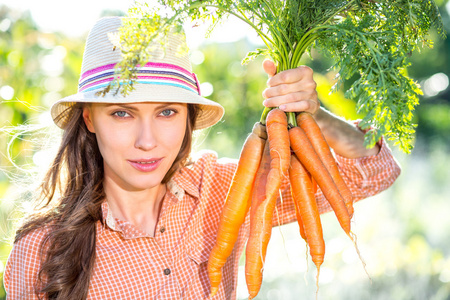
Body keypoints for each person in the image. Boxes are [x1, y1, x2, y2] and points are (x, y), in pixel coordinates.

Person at [3, 16, 401, 300]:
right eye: (122, 113)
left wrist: (314, 115)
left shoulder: (222, 192)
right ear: (89, 119)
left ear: (189, 119)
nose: (148, 141)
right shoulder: (39, 249)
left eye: (167, 112)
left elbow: (374, 169)